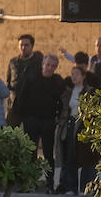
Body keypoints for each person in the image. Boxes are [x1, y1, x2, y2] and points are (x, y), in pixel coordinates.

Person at [16, 52, 67, 188]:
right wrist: (24, 117)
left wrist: (56, 118)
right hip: (31, 120)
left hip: (48, 122)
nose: (50, 68)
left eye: (53, 66)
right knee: (30, 153)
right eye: (48, 65)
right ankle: (28, 183)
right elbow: (22, 98)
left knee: (48, 154)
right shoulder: (31, 78)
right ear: (43, 64)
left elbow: (62, 101)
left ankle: (50, 184)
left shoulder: (57, 81)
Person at [56, 62, 93, 195]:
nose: (74, 77)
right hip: (69, 124)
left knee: (83, 156)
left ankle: (85, 186)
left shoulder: (88, 91)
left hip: (82, 125)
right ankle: (70, 186)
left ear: (83, 76)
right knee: (69, 155)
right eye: (72, 74)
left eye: (77, 74)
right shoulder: (69, 91)